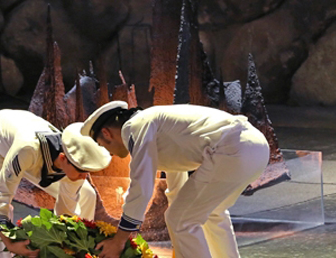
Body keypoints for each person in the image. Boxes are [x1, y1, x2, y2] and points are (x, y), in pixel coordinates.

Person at [81, 101, 269, 258]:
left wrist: (119, 240)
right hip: (256, 147)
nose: (109, 153)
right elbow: (177, 185)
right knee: (212, 213)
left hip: (231, 149)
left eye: (101, 145)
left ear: (106, 133)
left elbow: (141, 186)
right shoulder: (155, 122)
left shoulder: (134, 127)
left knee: (181, 221)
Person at [0, 111, 111, 258]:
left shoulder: (72, 160)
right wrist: (9, 242)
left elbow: (66, 213)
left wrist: (64, 246)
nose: (84, 176)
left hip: (19, 137)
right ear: (63, 158)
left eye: (88, 171)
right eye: (81, 171)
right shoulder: (28, 150)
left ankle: (80, 251)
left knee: (87, 194)